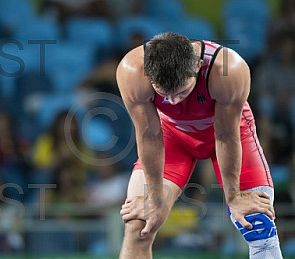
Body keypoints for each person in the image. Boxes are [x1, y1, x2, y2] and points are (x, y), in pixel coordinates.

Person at [116, 32, 283, 258]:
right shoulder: (132, 72)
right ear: (148, 74)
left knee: (256, 223)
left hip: (227, 133)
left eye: (183, 92)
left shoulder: (228, 69)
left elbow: (225, 135)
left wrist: (234, 197)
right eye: (166, 95)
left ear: (197, 65)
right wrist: (155, 199)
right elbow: (149, 136)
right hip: (170, 136)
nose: (175, 102)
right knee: (139, 225)